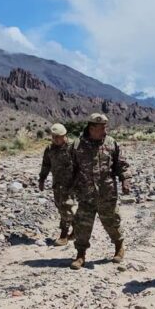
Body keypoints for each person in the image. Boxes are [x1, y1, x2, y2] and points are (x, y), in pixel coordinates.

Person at [69, 113, 131, 270]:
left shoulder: (111, 143)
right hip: (85, 194)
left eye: (105, 127)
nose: (105, 130)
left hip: (107, 193)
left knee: (112, 222)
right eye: (102, 128)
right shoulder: (77, 145)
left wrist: (125, 180)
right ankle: (80, 255)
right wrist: (69, 188)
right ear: (91, 128)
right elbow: (72, 169)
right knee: (82, 225)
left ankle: (119, 247)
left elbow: (121, 164)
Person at [39, 123, 75, 246]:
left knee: (66, 207)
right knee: (60, 207)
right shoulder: (50, 149)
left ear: (64, 135)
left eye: (57, 137)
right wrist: (42, 179)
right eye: (53, 137)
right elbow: (46, 165)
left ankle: (63, 236)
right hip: (57, 184)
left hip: (72, 184)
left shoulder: (73, 147)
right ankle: (76, 229)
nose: (55, 139)